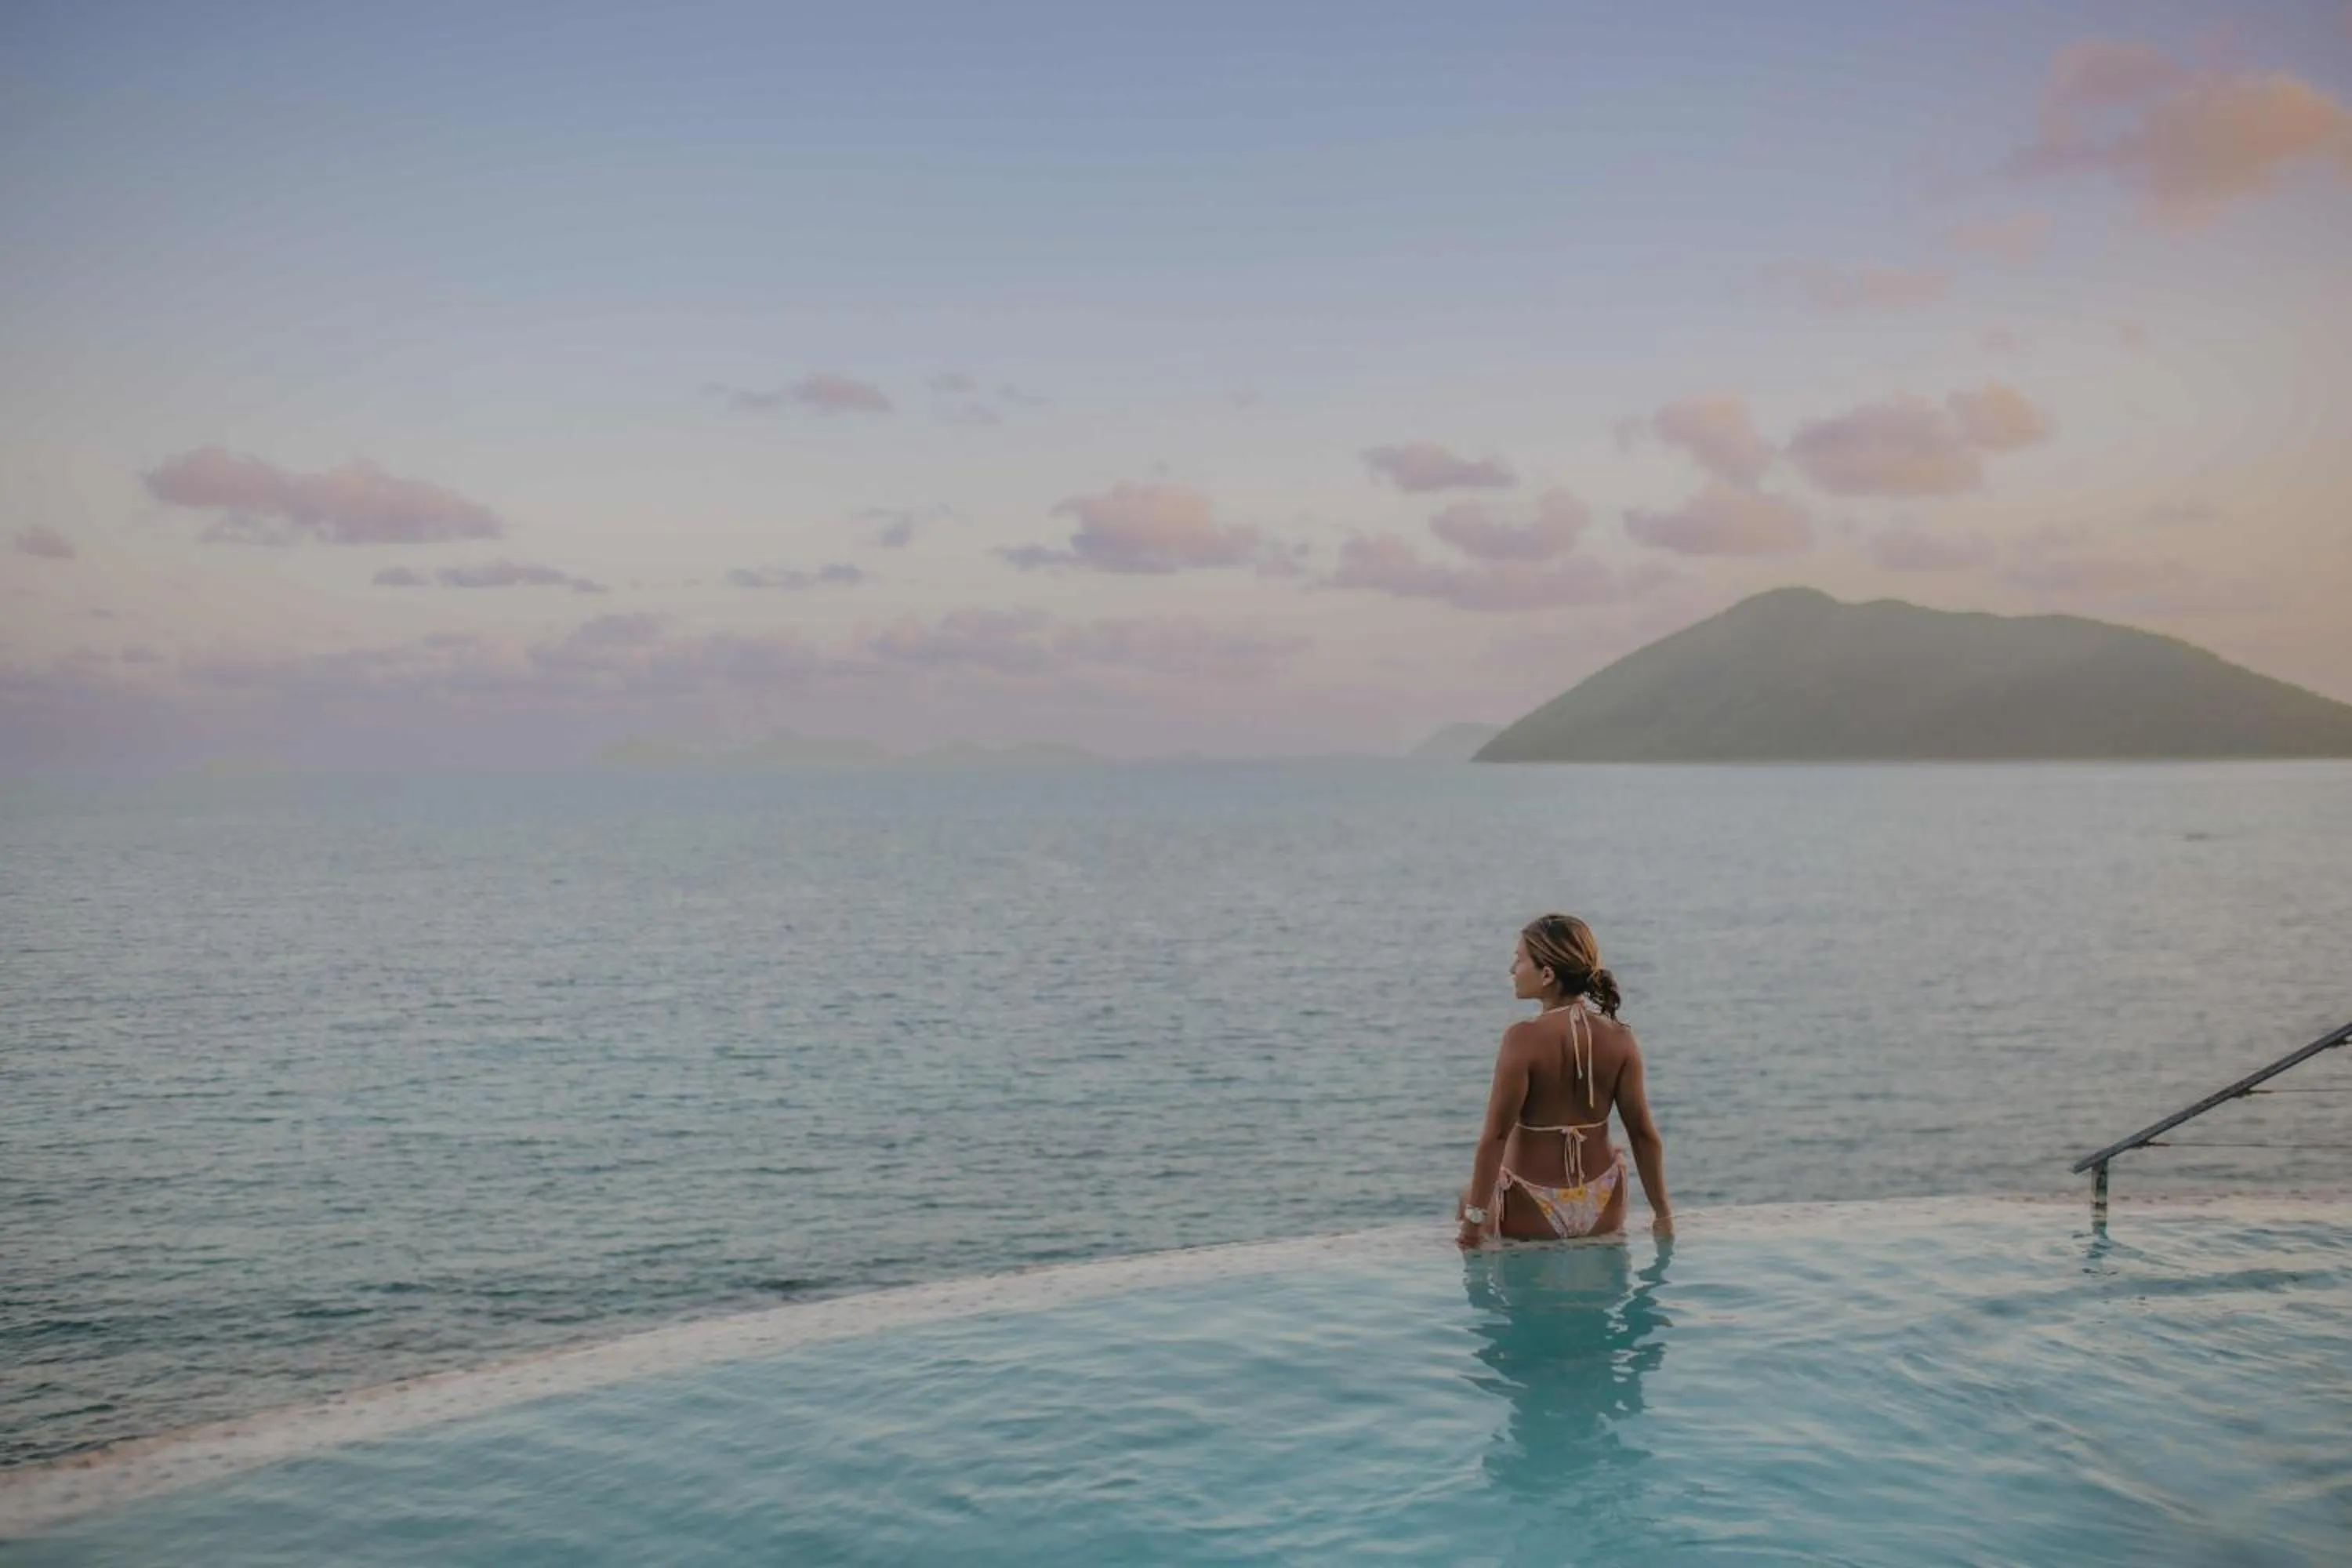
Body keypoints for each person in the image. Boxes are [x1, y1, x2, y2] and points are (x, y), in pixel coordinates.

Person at [1456, 913, 1671, 1246]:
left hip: (1531, 1208)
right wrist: (1663, 1215)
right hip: (1604, 1205)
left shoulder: (1522, 1038)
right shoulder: (1621, 1038)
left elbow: (1495, 1137)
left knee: (1468, 1196)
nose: (1513, 971)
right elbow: (1643, 1134)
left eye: (1519, 960)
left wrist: (1471, 1226)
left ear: (1547, 974)